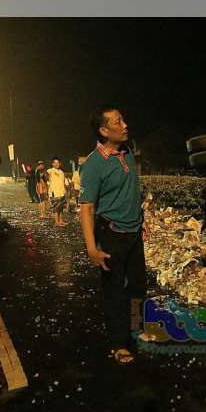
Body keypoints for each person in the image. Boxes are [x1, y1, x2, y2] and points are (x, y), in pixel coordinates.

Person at [79, 107, 151, 364]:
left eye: (123, 119)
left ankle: (137, 329)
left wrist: (141, 220)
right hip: (112, 236)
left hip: (134, 233)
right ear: (103, 130)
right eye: (118, 122)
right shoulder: (94, 164)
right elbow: (87, 208)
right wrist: (91, 248)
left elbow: (130, 192)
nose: (125, 125)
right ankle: (118, 343)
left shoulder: (127, 152)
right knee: (114, 292)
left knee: (138, 286)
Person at [47, 156, 68, 226]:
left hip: (62, 192)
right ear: (52, 164)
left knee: (61, 208)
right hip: (54, 193)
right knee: (56, 208)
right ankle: (57, 222)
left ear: (60, 164)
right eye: (55, 163)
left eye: (58, 163)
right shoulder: (51, 170)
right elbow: (45, 175)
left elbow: (64, 182)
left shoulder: (61, 172)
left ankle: (61, 221)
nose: (56, 164)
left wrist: (65, 190)